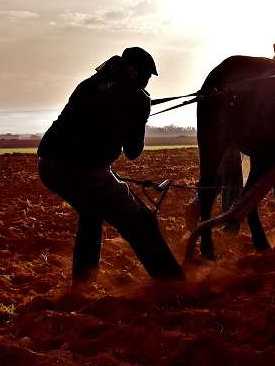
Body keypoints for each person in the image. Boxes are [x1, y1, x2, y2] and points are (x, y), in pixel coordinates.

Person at [37, 47, 185, 283]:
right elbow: (133, 152)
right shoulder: (137, 98)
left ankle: (83, 282)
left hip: (48, 164)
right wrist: (141, 116)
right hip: (84, 170)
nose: (147, 82)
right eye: (147, 76)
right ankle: (173, 284)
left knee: (91, 212)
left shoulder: (90, 83)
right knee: (142, 221)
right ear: (134, 71)